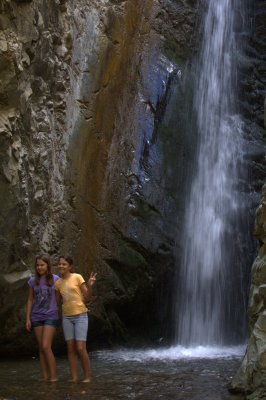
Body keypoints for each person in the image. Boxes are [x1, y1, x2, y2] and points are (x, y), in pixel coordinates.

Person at [55, 255, 97, 383]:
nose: (61, 266)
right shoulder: (58, 283)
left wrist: (90, 285)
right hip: (66, 317)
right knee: (70, 348)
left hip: (80, 316)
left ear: (70, 266)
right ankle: (74, 377)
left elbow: (88, 296)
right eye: (60, 264)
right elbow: (57, 302)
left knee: (80, 348)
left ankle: (87, 377)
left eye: (64, 264)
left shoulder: (77, 277)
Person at [26, 254, 59, 382]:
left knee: (46, 346)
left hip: (51, 315)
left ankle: (54, 378)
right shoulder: (32, 281)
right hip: (36, 316)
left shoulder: (56, 279)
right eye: (37, 265)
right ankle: (45, 377)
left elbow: (58, 298)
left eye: (42, 265)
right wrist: (28, 318)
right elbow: (30, 299)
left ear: (47, 266)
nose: (39, 267)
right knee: (41, 347)